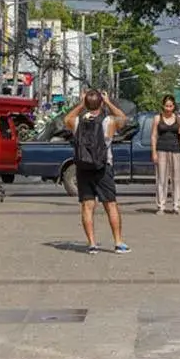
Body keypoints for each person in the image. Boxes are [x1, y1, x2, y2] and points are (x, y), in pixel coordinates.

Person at [63, 89, 129, 254]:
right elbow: (123, 119)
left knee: (87, 206)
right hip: (103, 167)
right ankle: (118, 242)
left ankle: (92, 244)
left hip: (83, 167)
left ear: (86, 103)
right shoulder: (108, 122)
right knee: (110, 205)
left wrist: (80, 104)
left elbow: (66, 119)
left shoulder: (77, 122)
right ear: (101, 103)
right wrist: (108, 102)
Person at [150, 94, 180, 214]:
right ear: (163, 106)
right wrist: (154, 152)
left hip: (176, 150)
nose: (168, 108)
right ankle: (161, 206)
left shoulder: (178, 118)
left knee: (177, 179)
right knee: (161, 178)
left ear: (174, 106)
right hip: (161, 150)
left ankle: (177, 206)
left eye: (170, 106)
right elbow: (154, 136)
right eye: (166, 106)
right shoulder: (157, 118)